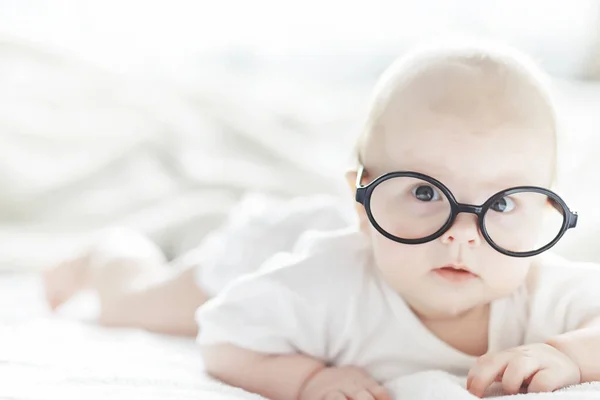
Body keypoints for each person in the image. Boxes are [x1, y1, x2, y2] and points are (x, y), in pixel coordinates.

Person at [43, 40, 600, 399]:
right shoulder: (317, 285)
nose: (460, 233)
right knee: (130, 306)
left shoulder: (543, 289)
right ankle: (107, 251)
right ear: (362, 201)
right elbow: (222, 335)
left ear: (547, 209)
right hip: (263, 253)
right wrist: (307, 379)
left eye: (501, 204)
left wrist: (566, 354)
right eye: (426, 192)